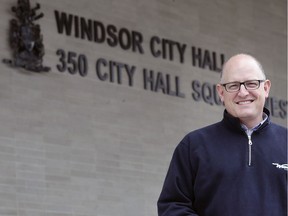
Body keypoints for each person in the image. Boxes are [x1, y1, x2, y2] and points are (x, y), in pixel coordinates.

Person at [157, 54, 287, 216]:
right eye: (233, 85)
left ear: (266, 88)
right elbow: (173, 206)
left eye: (251, 84)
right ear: (220, 92)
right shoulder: (193, 146)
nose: (243, 92)